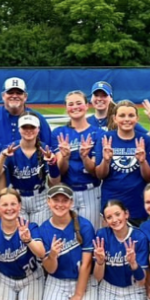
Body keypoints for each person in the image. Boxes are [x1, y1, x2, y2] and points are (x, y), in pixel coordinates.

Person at [38, 184, 97, 300]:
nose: (60, 204)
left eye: (65, 200)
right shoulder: (43, 229)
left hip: (82, 282)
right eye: (56, 200)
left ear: (71, 203)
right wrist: (52, 256)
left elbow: (87, 265)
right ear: (48, 202)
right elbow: (50, 269)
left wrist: (78, 295)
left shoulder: (84, 226)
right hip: (57, 281)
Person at [93, 199, 149, 300]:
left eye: (117, 214)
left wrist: (133, 264)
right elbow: (98, 278)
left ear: (126, 214)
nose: (114, 220)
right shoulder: (101, 236)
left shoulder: (139, 237)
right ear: (105, 220)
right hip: (108, 289)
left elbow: (142, 280)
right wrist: (100, 262)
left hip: (134, 290)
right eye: (109, 217)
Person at [0, 114, 61, 225]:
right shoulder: (11, 148)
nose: (28, 131)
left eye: (32, 127)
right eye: (25, 127)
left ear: (38, 129)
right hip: (17, 197)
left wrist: (52, 164)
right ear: (19, 129)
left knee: (39, 235)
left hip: (40, 198)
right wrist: (2, 156)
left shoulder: (44, 149)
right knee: (20, 236)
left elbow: (55, 182)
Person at [94, 100, 150, 223]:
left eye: (131, 115)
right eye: (122, 115)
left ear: (137, 118)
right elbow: (100, 175)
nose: (126, 119)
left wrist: (142, 161)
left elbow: (149, 178)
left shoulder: (145, 140)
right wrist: (106, 161)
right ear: (114, 118)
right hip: (111, 202)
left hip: (137, 203)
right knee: (111, 240)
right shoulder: (106, 138)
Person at [53, 91, 103, 230]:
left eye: (79, 103)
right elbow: (59, 171)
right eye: (71, 104)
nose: (75, 107)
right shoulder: (58, 133)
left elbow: (95, 171)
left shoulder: (98, 133)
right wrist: (65, 157)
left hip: (91, 191)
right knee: (68, 236)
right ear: (66, 108)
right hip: (66, 192)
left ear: (87, 106)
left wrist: (84, 157)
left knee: (91, 234)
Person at [86, 81, 150, 143]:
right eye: (96, 95)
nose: (99, 99)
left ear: (111, 98)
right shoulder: (86, 121)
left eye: (104, 95)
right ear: (91, 98)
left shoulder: (121, 119)